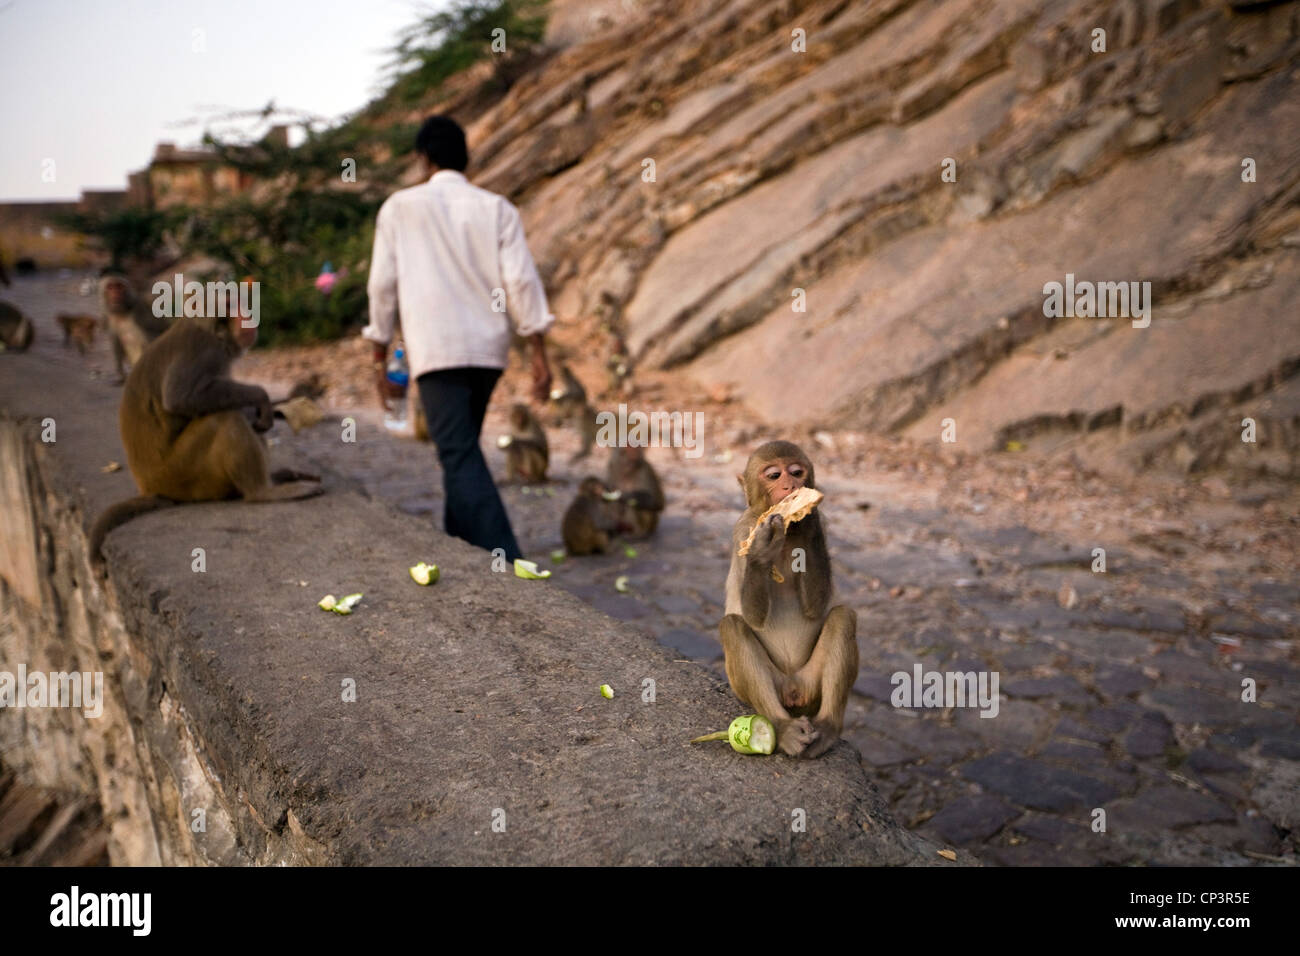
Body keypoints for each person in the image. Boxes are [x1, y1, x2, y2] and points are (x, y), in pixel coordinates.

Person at [364, 115, 553, 562]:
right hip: (488, 351)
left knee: (458, 454)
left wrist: (381, 360)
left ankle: (509, 561)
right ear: (465, 158)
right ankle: (460, 551)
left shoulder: (399, 207)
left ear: (422, 158)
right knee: (461, 449)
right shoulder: (496, 208)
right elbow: (522, 282)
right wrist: (539, 354)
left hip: (437, 349)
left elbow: (381, 287)